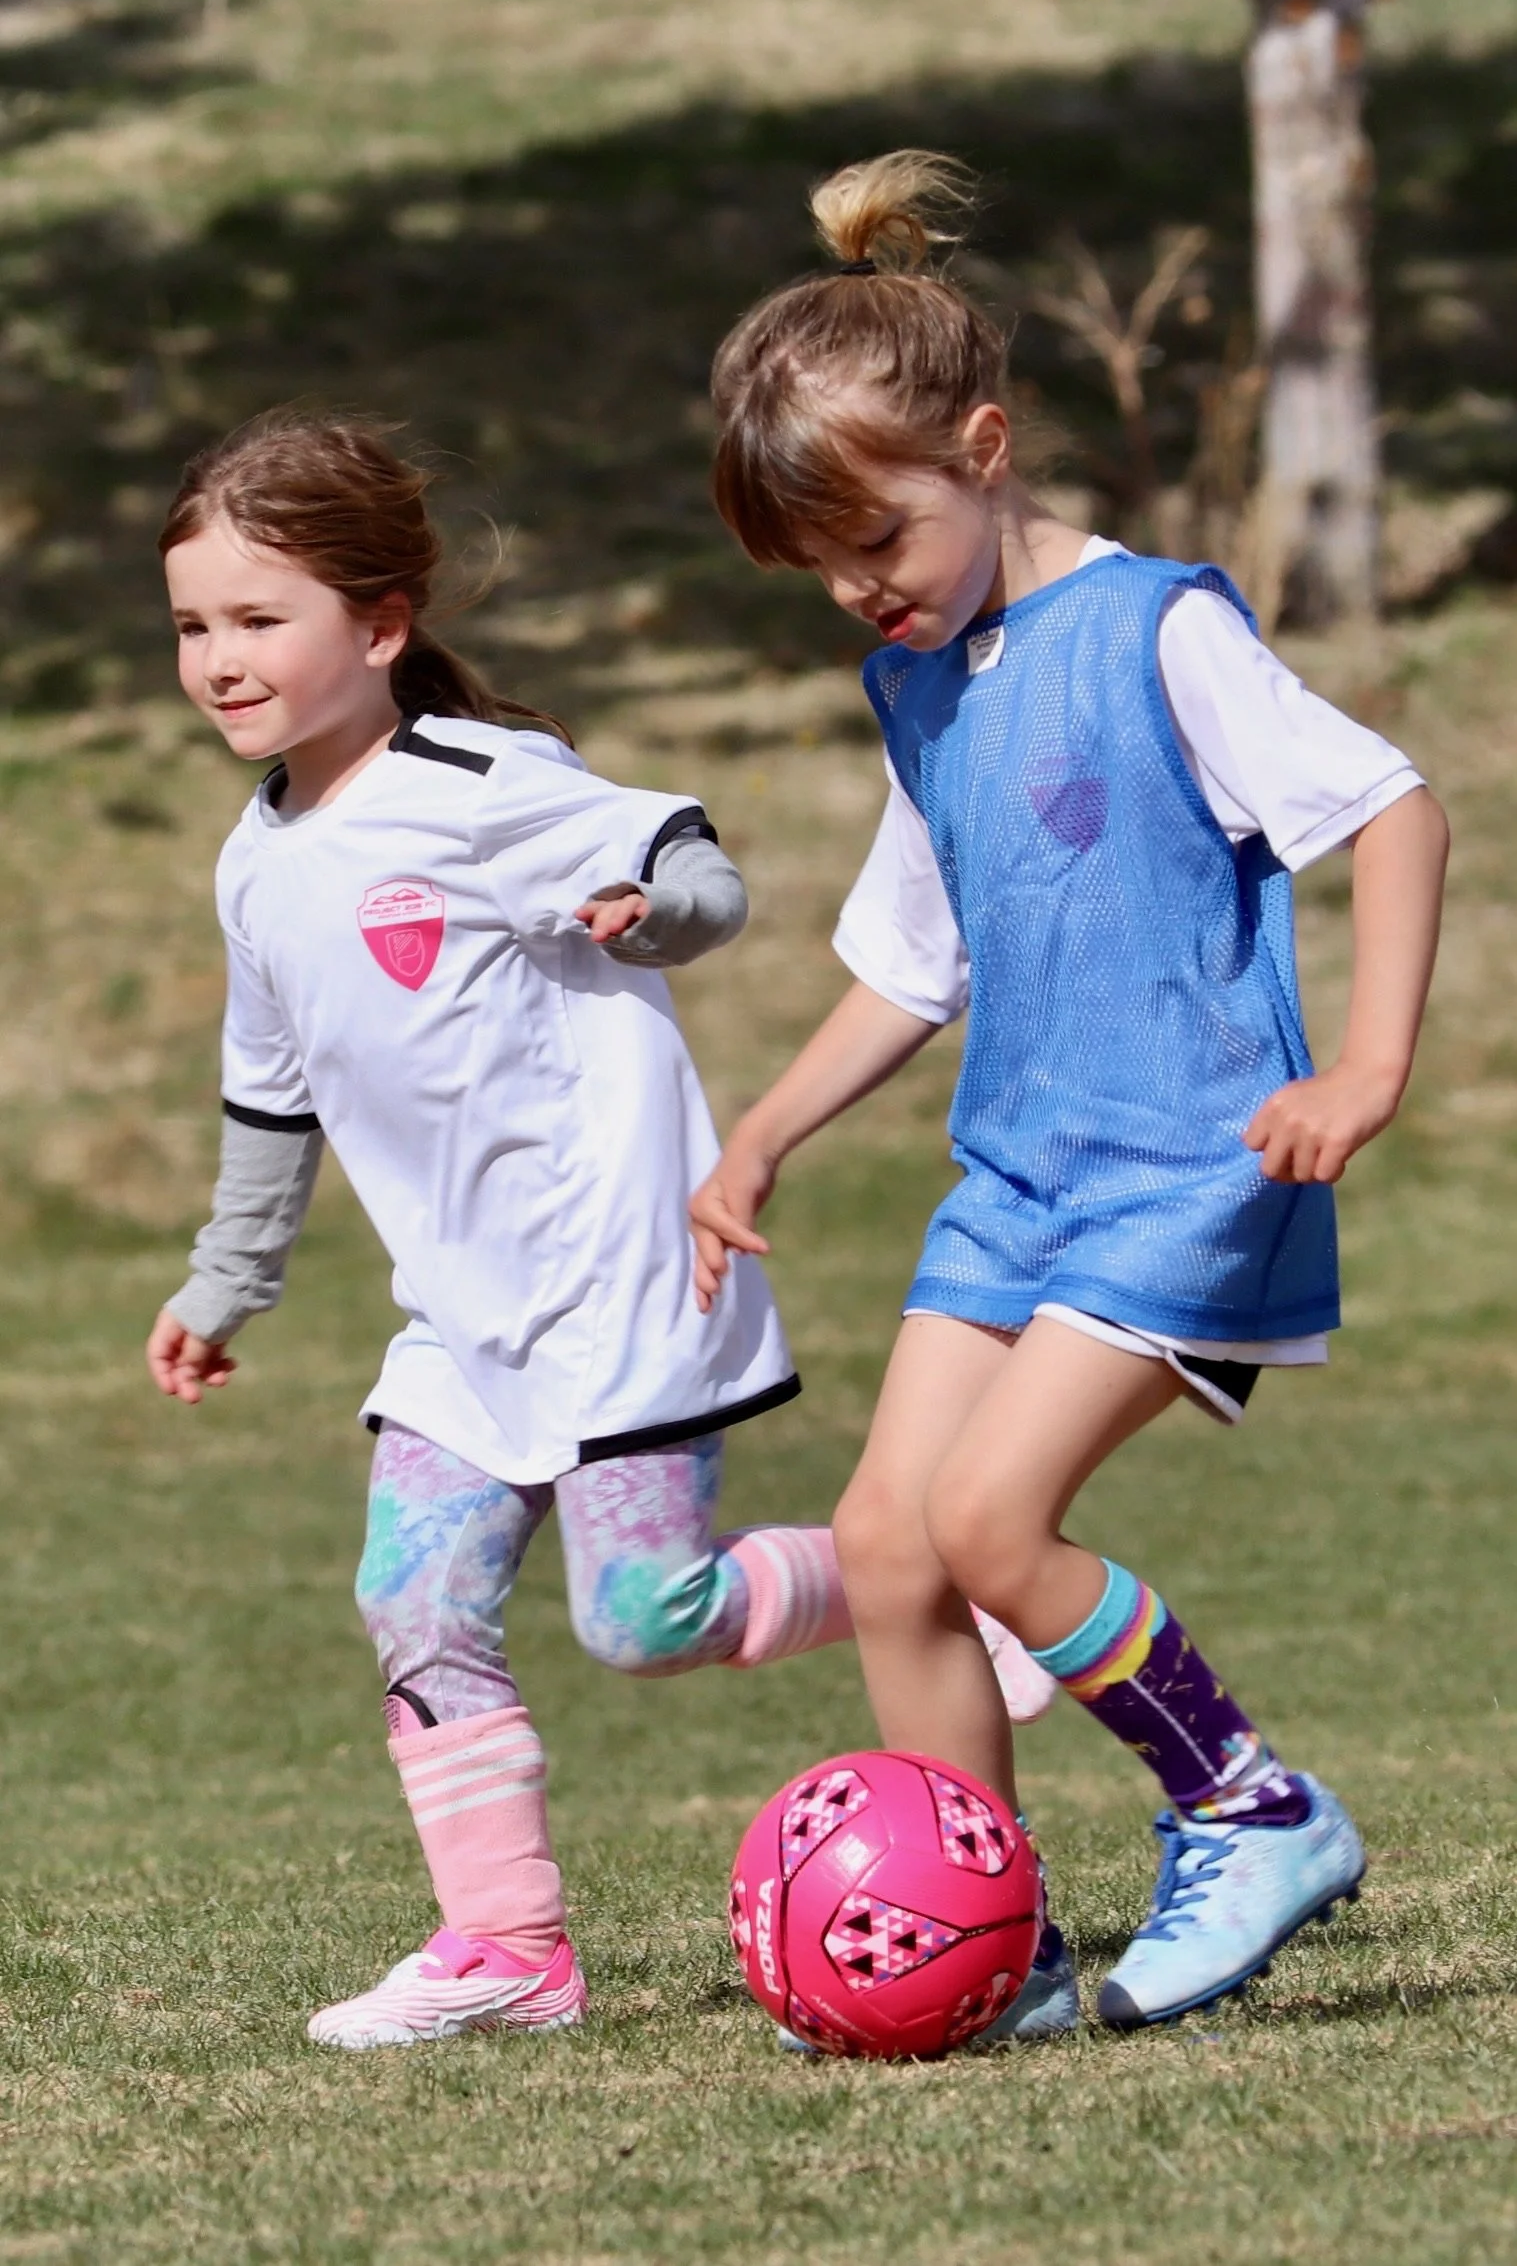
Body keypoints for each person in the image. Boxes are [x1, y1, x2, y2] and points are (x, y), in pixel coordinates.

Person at [145, 407, 1052, 2052]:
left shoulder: (482, 783)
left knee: (642, 1620)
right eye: (195, 624)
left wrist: (657, 916)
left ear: (380, 625)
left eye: (259, 618)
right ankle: (508, 1950)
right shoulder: (255, 858)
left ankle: (934, 1587)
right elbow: (269, 1092)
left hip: (625, 1275)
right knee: (411, 1599)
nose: (219, 658)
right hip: (462, 1316)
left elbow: (692, 866)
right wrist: (228, 1280)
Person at [691, 152, 1449, 2030]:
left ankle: (1250, 1804)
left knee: (990, 1523)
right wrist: (769, 1129)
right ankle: (996, 1949)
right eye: (822, 573)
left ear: (989, 444)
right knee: (885, 1541)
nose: (860, 591)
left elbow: (1395, 804)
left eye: (878, 540)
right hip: (1016, 1179)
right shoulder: (923, 684)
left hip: (1189, 1164)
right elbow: (913, 960)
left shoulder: (1158, 629)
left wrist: (1366, 1060)